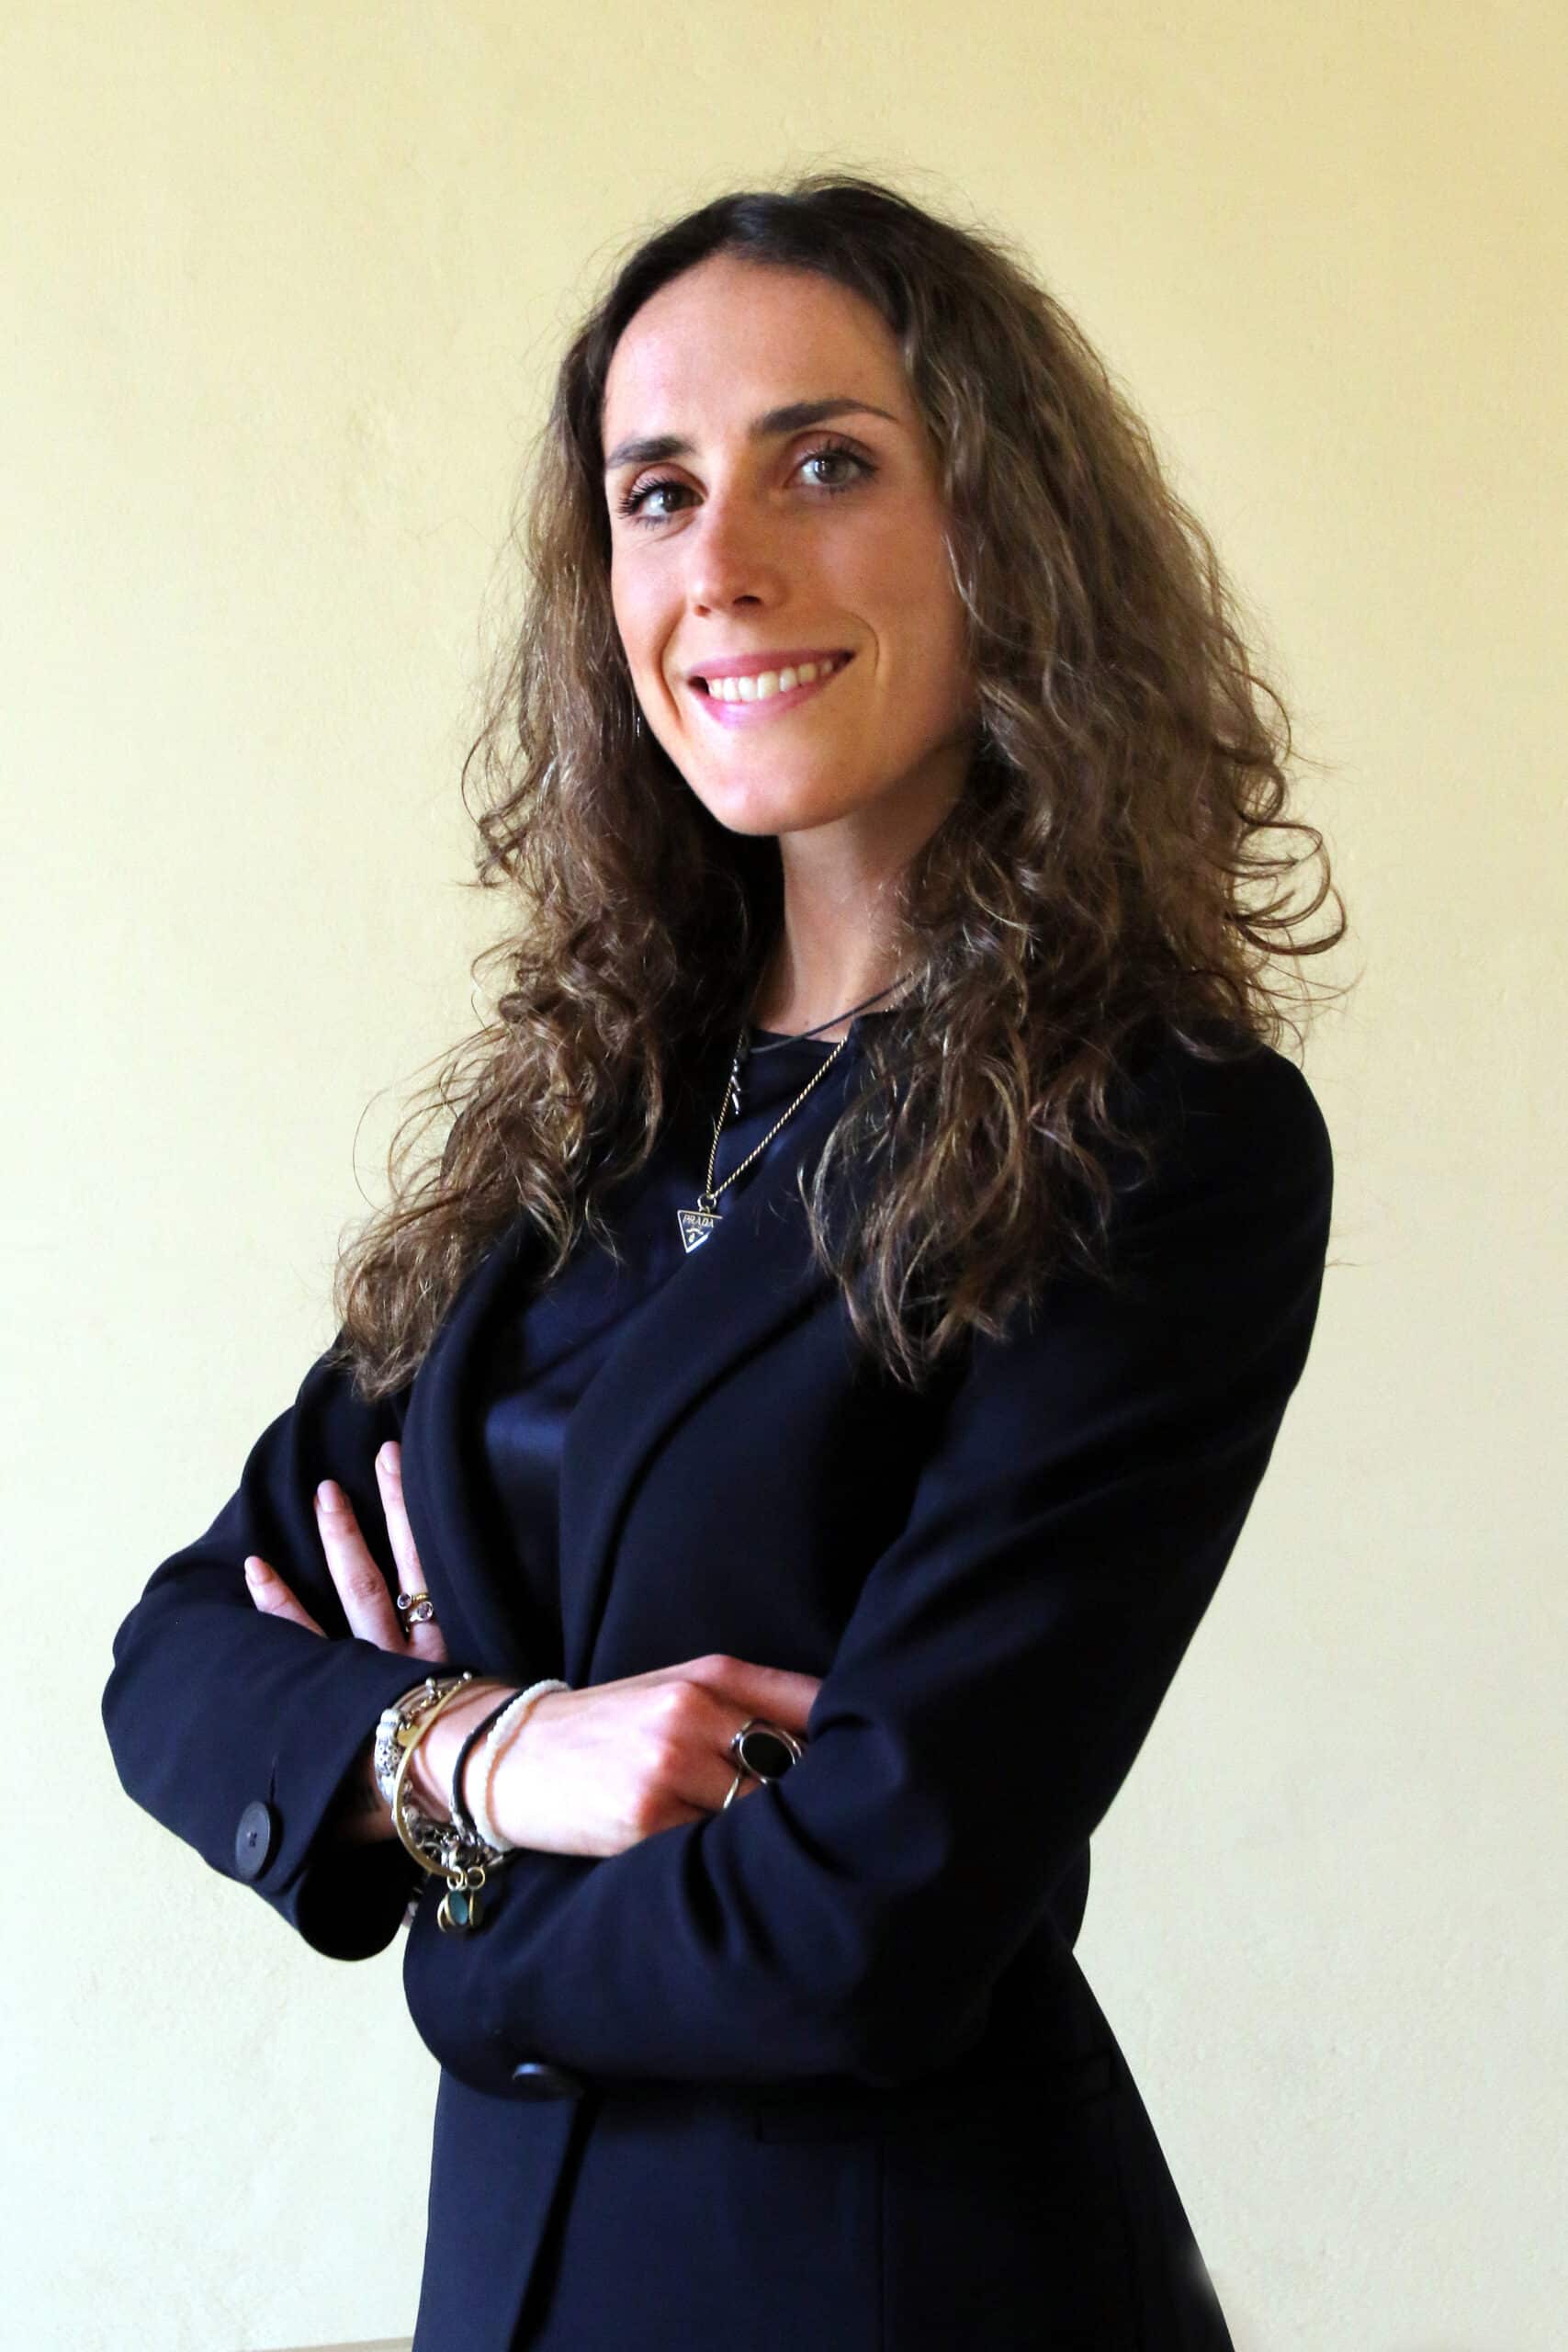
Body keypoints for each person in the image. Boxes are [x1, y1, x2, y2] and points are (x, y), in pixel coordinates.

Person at [102, 171, 1345, 2350]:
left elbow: (865, 1915)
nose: (721, 566)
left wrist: (462, 1939)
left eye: (825, 464)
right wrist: (484, 1755)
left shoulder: (1160, 1137)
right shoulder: (577, 1131)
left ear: (1003, 533)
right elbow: (184, 1654)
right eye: (655, 494)